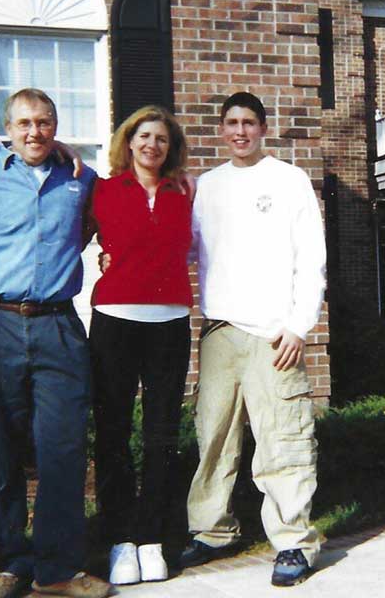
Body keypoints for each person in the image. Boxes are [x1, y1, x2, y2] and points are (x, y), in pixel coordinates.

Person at [0, 88, 110, 598]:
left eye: (44, 122)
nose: (34, 132)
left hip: (56, 325)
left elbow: (108, 221)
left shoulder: (81, 179)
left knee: (62, 448)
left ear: (56, 126)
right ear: (8, 129)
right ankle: (10, 563)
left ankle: (56, 569)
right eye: (24, 123)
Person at [181, 91, 326, 587]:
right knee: (213, 437)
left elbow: (311, 257)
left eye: (248, 122)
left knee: (282, 438)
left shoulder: (288, 180)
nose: (239, 131)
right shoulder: (207, 186)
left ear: (263, 128)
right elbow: (188, 250)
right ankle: (212, 530)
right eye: (231, 123)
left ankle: (293, 542)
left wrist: (299, 325)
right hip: (220, 329)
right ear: (221, 130)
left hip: (273, 333)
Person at [89, 106, 192, 586]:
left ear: (171, 149)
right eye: (144, 136)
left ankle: (151, 538)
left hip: (169, 323)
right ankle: (120, 539)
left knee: (161, 433)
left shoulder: (186, 193)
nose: (152, 145)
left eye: (162, 139)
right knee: (112, 432)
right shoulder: (102, 190)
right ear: (129, 141)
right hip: (115, 320)